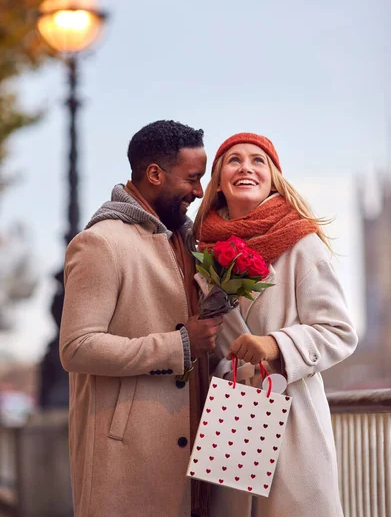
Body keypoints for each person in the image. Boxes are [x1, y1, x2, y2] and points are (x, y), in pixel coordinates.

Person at [59, 120, 223, 517]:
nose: (200, 192)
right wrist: (178, 345)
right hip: (131, 461)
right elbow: (76, 348)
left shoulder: (187, 243)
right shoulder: (101, 243)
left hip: (205, 452)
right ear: (154, 174)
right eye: (193, 178)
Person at [194, 132, 358, 517]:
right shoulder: (200, 249)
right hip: (230, 410)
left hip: (292, 411)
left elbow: (339, 331)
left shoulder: (302, 242)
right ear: (218, 180)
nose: (246, 167)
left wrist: (276, 345)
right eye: (234, 160)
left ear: (273, 177)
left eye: (258, 160)